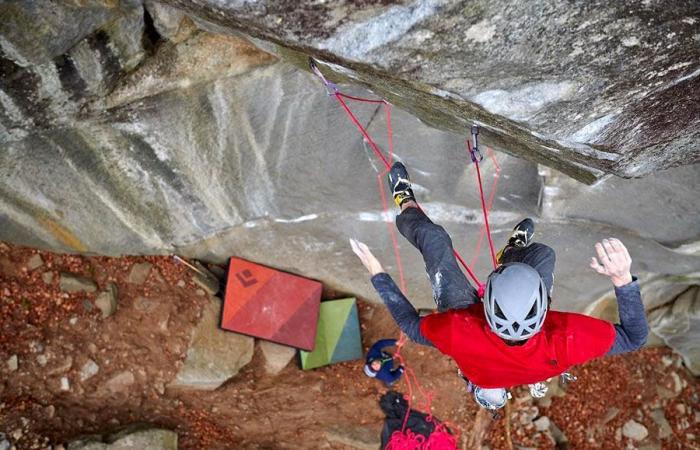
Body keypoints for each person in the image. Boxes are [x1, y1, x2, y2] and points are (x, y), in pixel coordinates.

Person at [350, 161, 648, 410]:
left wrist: (379, 276)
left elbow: (414, 327)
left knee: (434, 240)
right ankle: (511, 253)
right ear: (542, 305)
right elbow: (634, 338)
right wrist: (623, 281)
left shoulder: (459, 330)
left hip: (464, 312)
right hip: (507, 344)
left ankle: (406, 201)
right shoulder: (564, 342)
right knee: (543, 254)